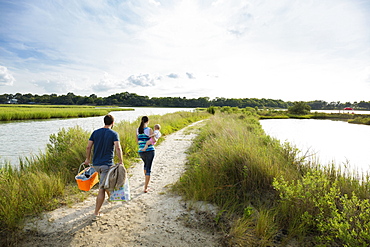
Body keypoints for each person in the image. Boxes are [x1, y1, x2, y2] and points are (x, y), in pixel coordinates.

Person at [85, 114, 123, 217]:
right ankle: (96, 213)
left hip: (96, 164)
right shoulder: (114, 134)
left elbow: (88, 147)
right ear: (112, 123)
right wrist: (121, 161)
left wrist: (87, 159)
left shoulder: (95, 132)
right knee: (102, 188)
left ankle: (111, 198)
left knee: (104, 183)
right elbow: (118, 148)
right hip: (106, 165)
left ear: (104, 121)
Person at [136, 116, 155, 193]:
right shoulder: (149, 129)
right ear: (148, 121)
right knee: (148, 168)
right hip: (149, 151)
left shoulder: (137, 130)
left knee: (145, 164)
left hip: (141, 151)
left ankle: (145, 180)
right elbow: (153, 140)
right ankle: (145, 188)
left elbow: (137, 142)